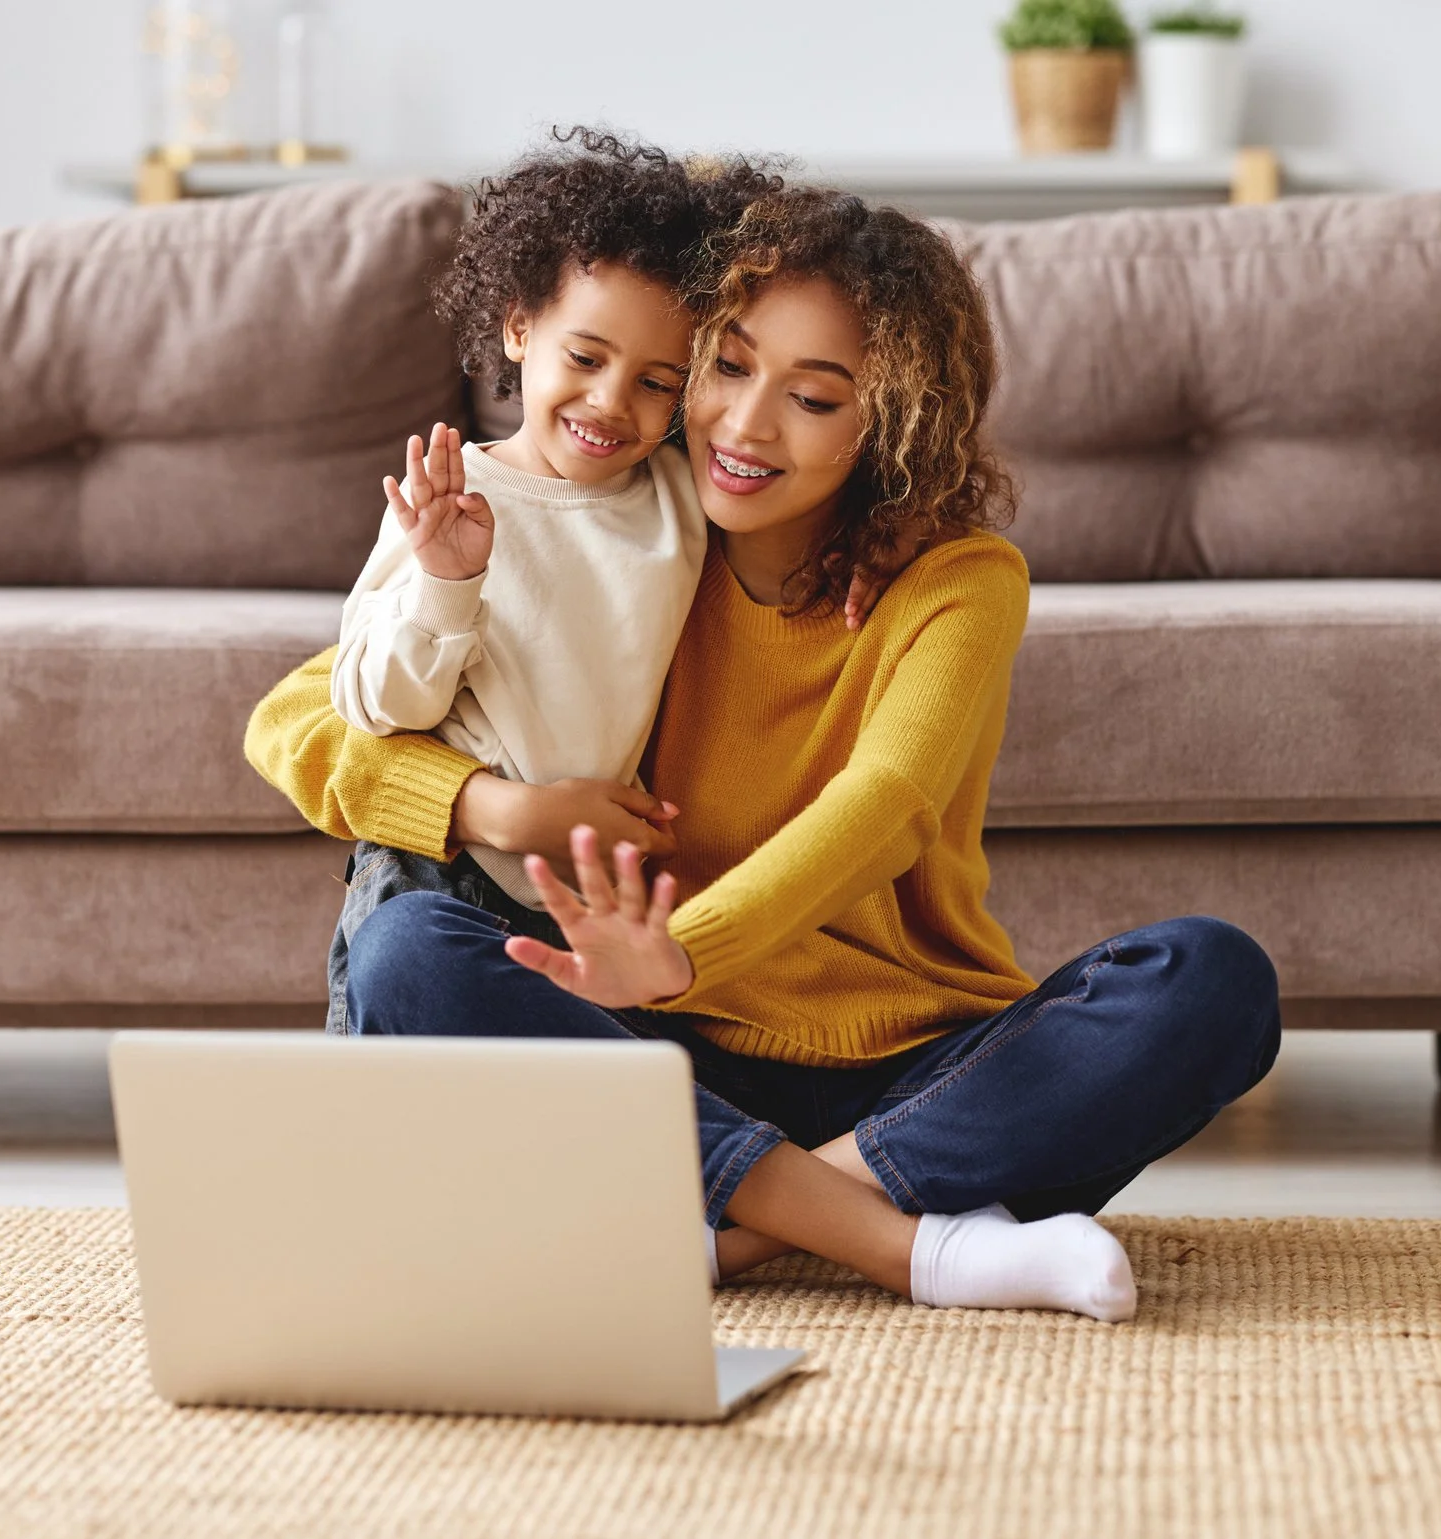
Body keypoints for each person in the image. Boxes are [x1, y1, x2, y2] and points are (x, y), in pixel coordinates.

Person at [247, 186, 1282, 1320]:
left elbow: (887, 802)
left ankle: (735, 1230)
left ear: (890, 422)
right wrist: (491, 811)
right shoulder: (635, 523)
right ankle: (910, 1242)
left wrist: (687, 951)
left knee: (1210, 981)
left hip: (910, 1061)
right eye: (727, 368)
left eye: (816, 398)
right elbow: (296, 719)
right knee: (407, 953)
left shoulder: (960, 580)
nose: (744, 427)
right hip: (656, 1051)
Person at [323, 130, 774, 1032]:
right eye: (584, 357)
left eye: (657, 381)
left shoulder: (680, 497)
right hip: (438, 872)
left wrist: (866, 551)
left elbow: (795, 502)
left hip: (590, 888)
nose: (611, 402)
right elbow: (371, 706)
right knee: (401, 1105)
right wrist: (447, 581)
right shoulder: (450, 500)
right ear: (519, 326)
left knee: (549, 1128)